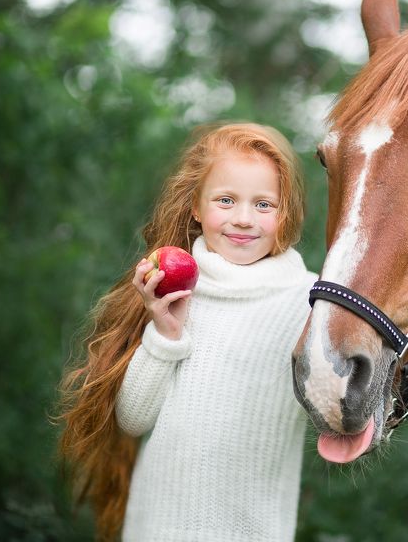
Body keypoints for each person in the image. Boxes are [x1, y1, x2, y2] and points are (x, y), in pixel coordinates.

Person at [58, 123, 317, 541]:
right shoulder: (175, 290)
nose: (243, 219)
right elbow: (133, 419)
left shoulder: (310, 301)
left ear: (288, 213)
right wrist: (165, 333)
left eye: (264, 204)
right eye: (226, 200)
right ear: (196, 206)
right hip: (156, 529)